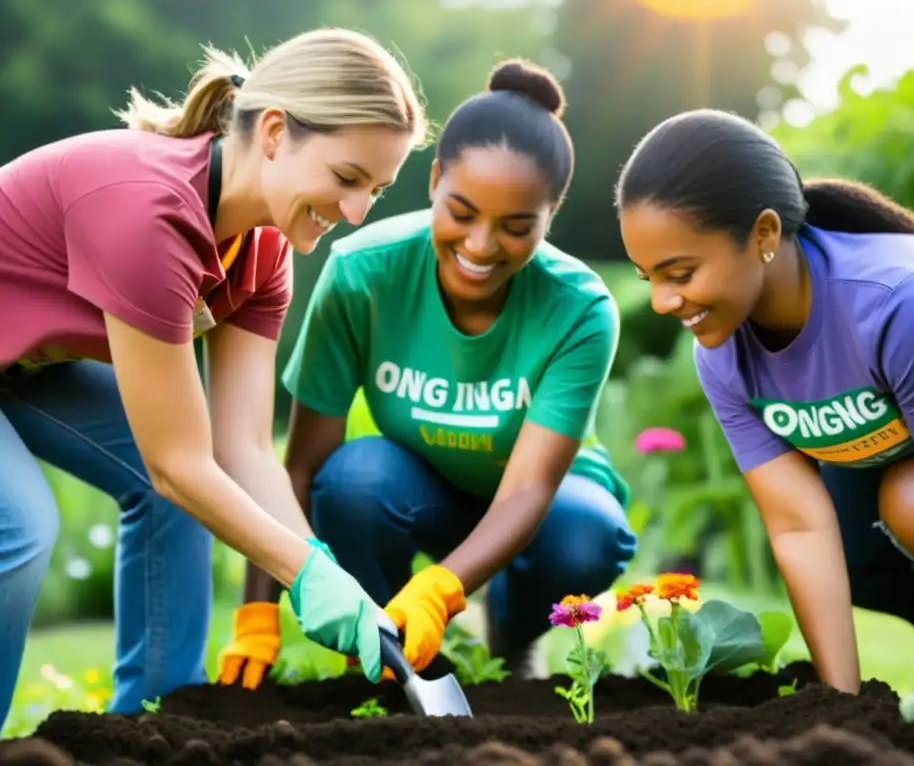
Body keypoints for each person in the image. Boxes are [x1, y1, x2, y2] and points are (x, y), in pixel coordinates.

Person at [0, 26, 428, 729]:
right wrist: (302, 572)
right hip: (19, 357)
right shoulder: (149, 213)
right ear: (273, 131)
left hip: (22, 363)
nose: (355, 212)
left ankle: (161, 727)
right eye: (347, 178)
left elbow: (240, 453)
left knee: (188, 494)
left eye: (375, 192)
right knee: (19, 525)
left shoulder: (264, 253)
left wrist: (326, 572)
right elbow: (177, 464)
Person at [228, 58, 638, 686]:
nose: (480, 246)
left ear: (550, 215)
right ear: (436, 179)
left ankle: (513, 633)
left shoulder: (578, 308)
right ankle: (386, 651)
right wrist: (257, 610)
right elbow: (303, 465)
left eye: (516, 226)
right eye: (463, 212)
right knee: (350, 482)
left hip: (540, 507)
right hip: (416, 487)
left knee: (590, 535)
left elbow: (529, 489)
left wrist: (441, 590)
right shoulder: (363, 273)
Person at [614, 108, 914, 694]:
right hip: (913, 447)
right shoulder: (723, 353)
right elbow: (800, 530)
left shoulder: (902, 303)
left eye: (679, 272)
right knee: (857, 548)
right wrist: (840, 704)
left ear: (763, 235)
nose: (661, 301)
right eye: (648, 275)